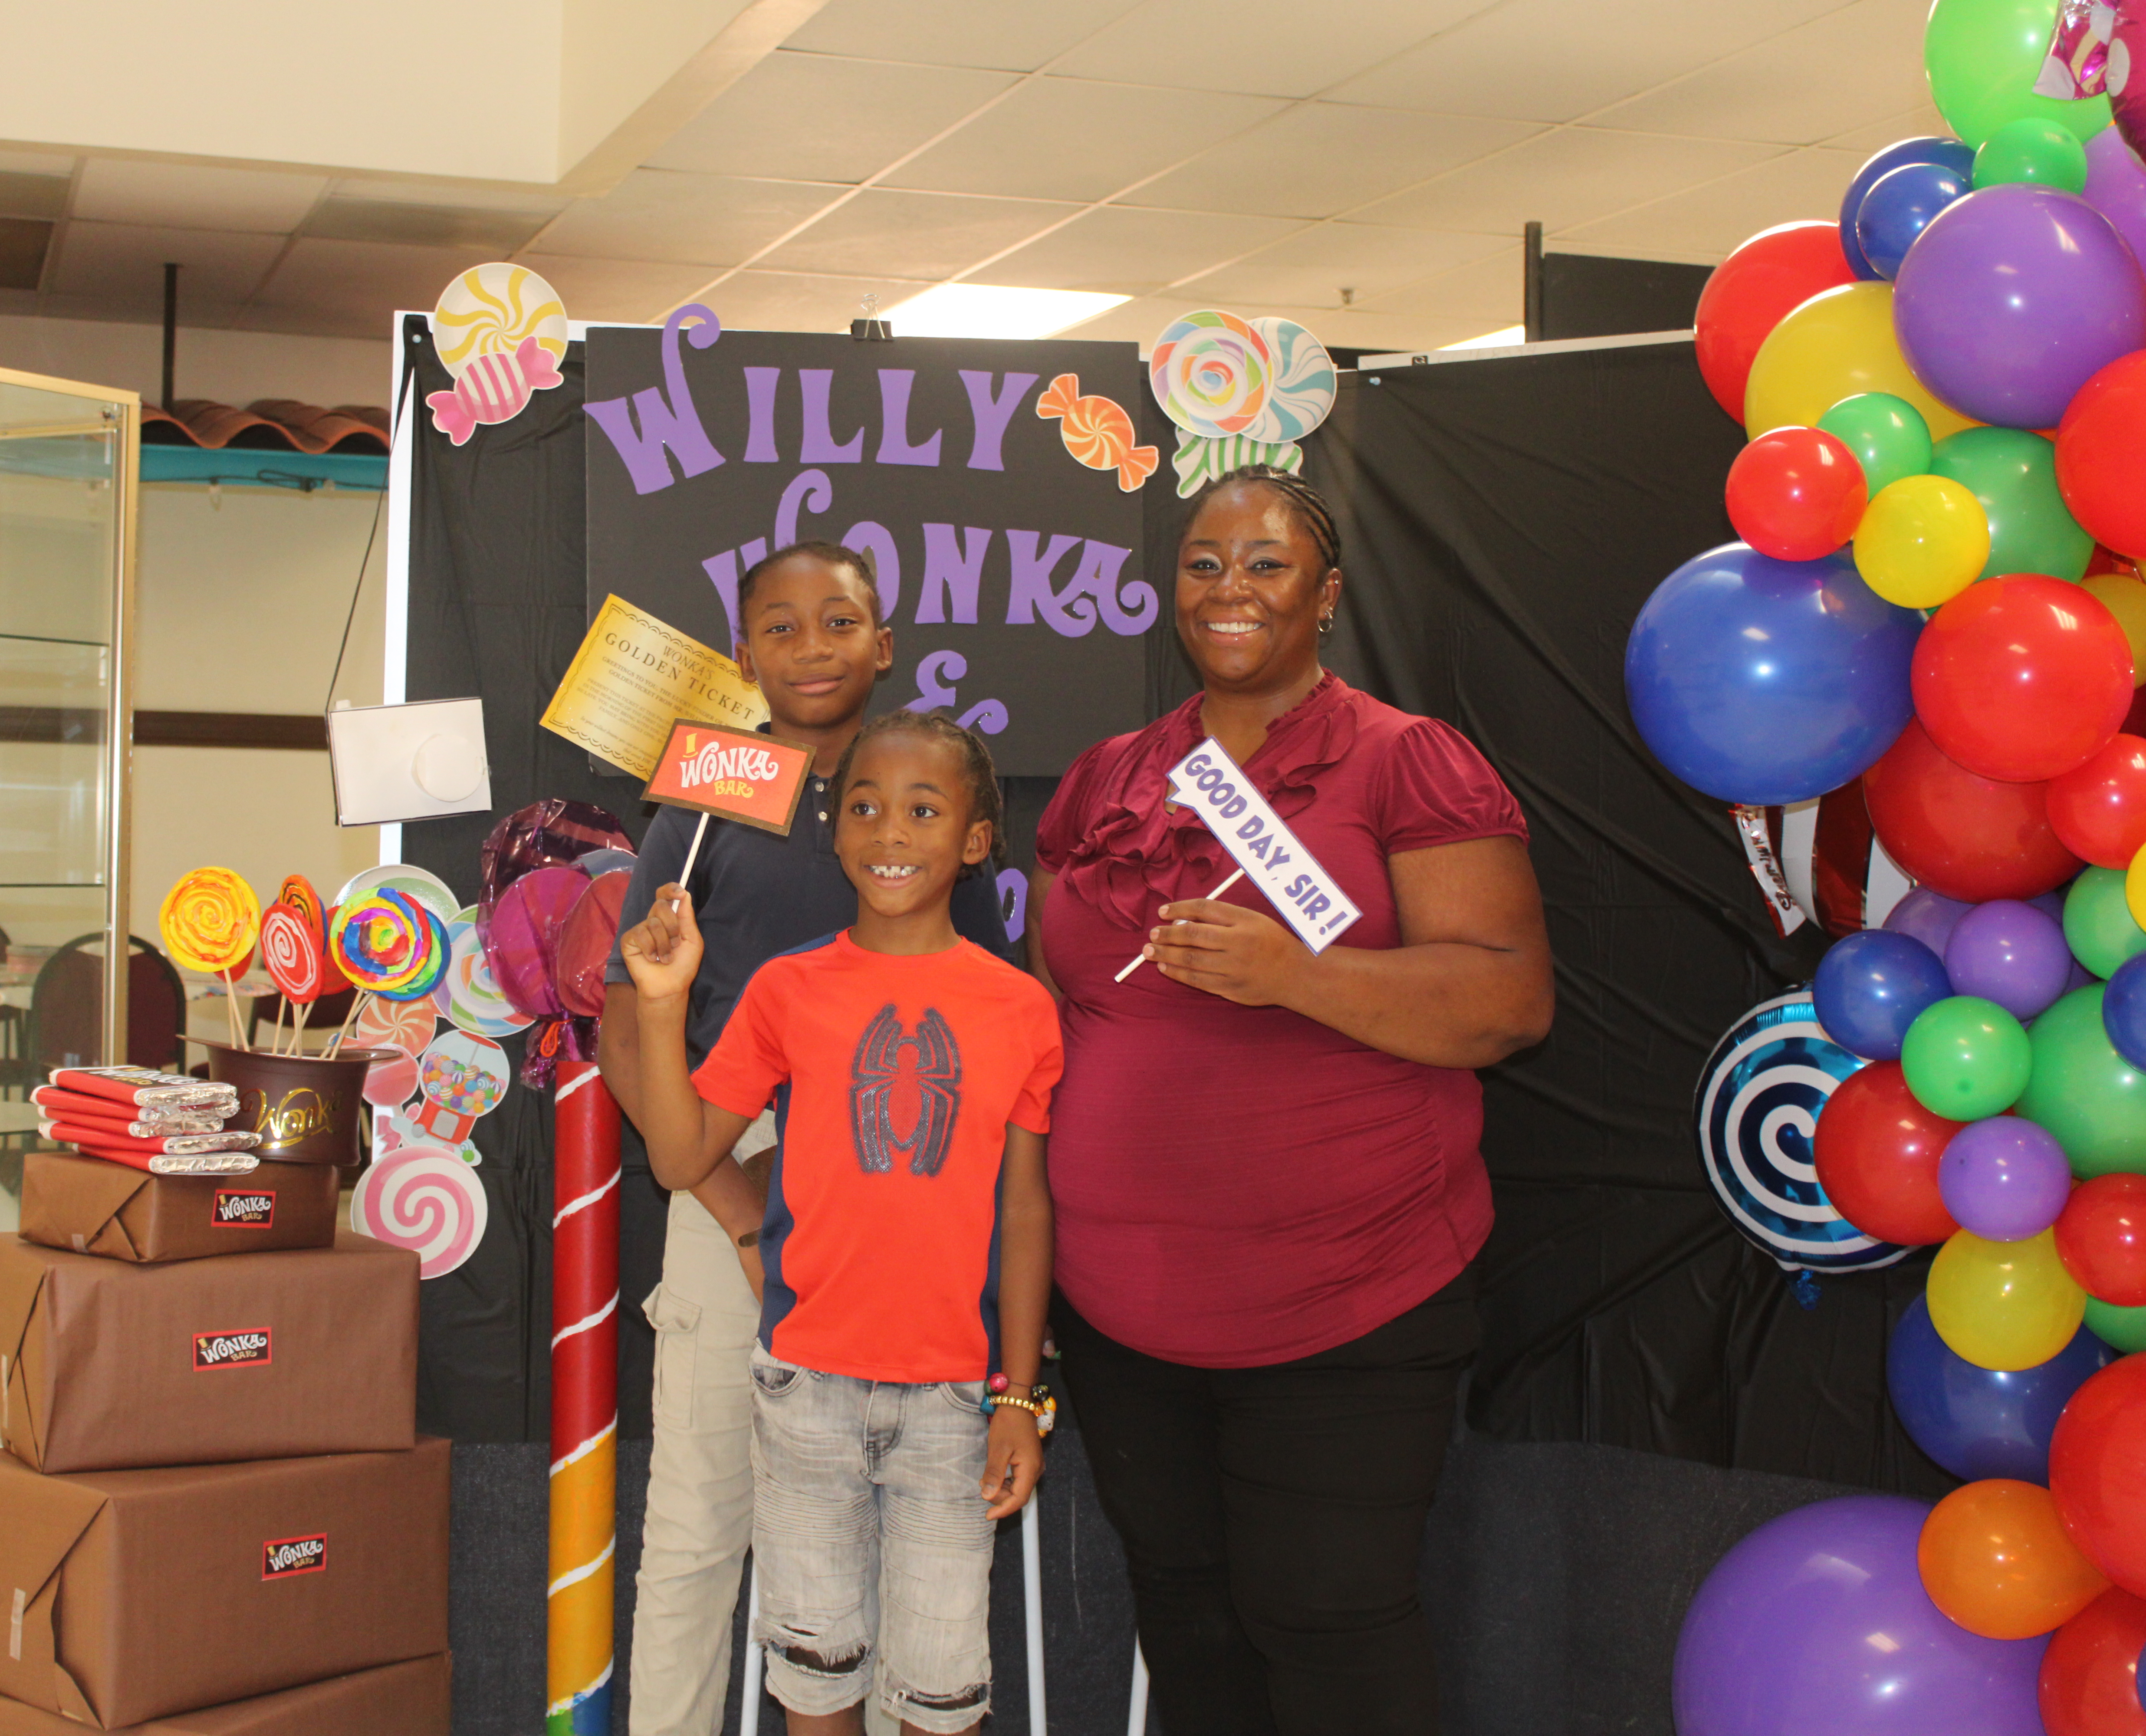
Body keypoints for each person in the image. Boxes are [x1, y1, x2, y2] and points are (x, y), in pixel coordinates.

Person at [1022, 467, 1553, 1736]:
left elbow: (1509, 1004)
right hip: (1124, 1322)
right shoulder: (1109, 779)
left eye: (1266, 564)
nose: (1230, 589)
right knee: (1191, 1622)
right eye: (1205, 563)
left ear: (1326, 594)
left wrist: (1293, 978)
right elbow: (1056, 1009)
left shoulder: (1403, 763)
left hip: (1343, 1309)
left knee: (1328, 1628)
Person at [599, 544, 1009, 1736]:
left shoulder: (928, 792)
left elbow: (985, 1013)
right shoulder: (703, 805)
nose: (813, 647)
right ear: (744, 656)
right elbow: (633, 1030)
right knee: (699, 1523)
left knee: (891, 1524)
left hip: (898, 1182)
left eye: (841, 623)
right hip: (728, 1158)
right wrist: (737, 1210)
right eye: (781, 627)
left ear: (884, 646)